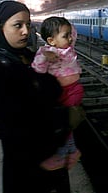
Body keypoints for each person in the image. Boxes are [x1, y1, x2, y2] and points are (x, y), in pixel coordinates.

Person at [0, 1, 70, 193]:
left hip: (54, 155)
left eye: (28, 24)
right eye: (18, 25)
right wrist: (62, 115)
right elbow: (11, 119)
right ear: (0, 28)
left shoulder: (33, 58)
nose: (26, 31)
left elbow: (56, 94)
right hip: (24, 163)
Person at [31, 16, 84, 171]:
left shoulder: (69, 48)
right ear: (51, 40)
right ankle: (72, 151)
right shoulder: (45, 51)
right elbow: (38, 69)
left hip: (73, 90)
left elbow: (72, 32)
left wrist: (65, 22)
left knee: (66, 123)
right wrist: (44, 56)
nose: (69, 38)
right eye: (65, 36)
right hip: (59, 93)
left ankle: (62, 155)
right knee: (62, 124)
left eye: (69, 35)